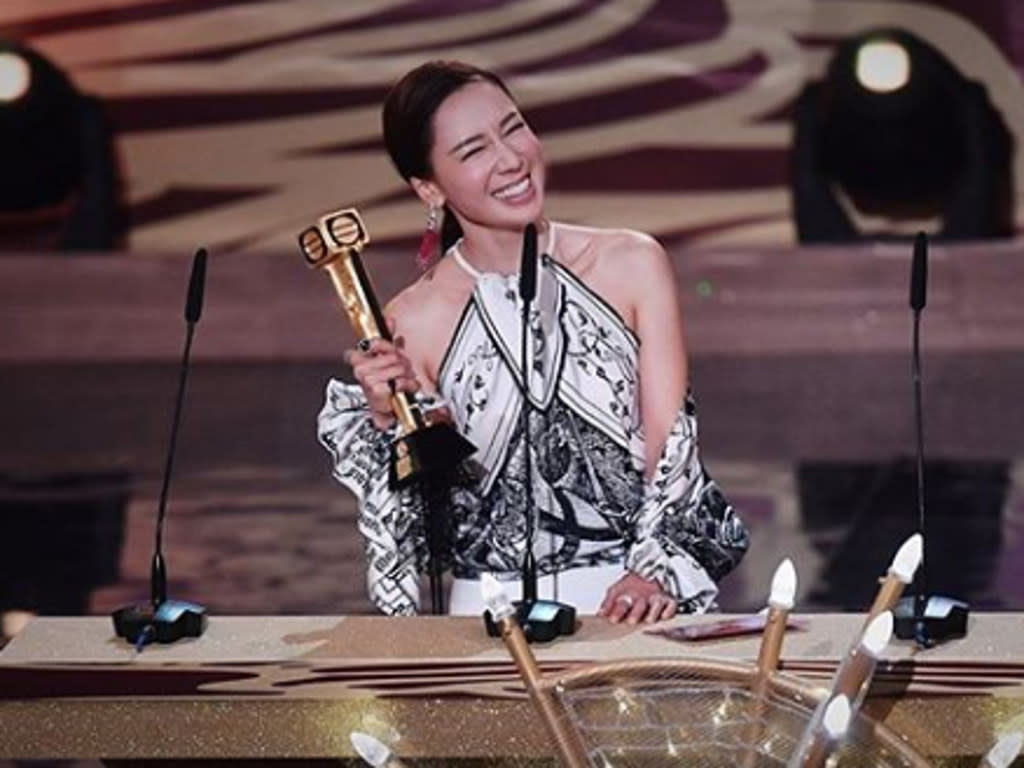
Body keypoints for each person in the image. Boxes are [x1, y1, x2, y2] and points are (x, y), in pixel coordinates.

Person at [318, 60, 748, 623]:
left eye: (513, 128)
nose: (510, 159)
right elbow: (426, 533)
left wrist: (654, 572)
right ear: (428, 187)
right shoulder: (410, 321)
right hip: (487, 619)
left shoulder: (631, 263)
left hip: (635, 604)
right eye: (474, 150)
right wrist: (389, 421)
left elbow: (672, 452)